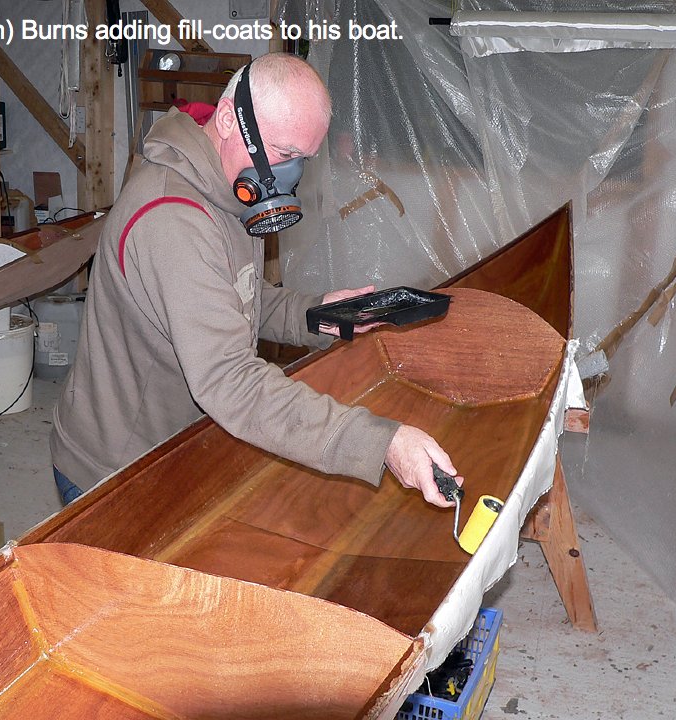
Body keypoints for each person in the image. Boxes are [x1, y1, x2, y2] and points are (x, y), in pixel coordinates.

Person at [50, 52, 460, 508]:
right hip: (116, 470)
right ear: (229, 119)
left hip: (176, 448)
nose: (292, 175)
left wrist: (320, 314)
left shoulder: (226, 187)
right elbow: (231, 381)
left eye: (303, 158)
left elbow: (240, 299)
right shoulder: (172, 220)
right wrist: (380, 443)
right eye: (285, 154)